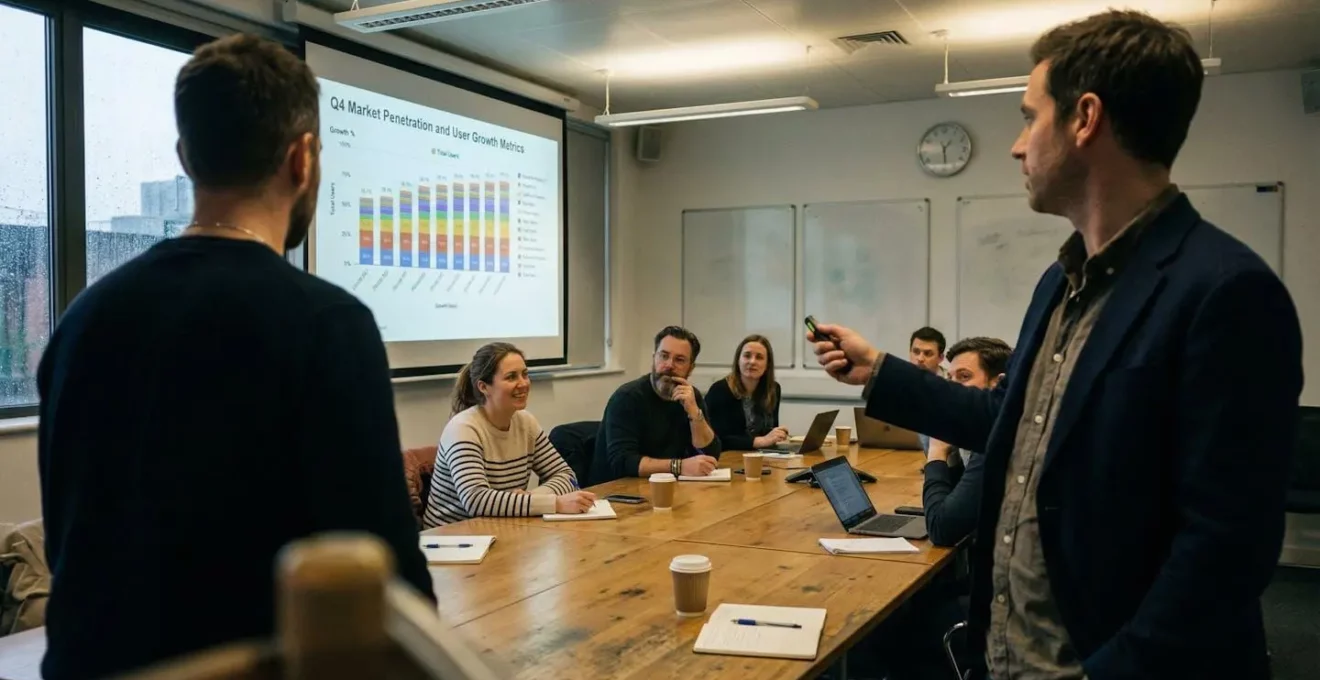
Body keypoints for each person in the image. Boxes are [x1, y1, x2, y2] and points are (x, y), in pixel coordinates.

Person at [812, 10, 1301, 680]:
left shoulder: (1226, 291)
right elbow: (1005, 420)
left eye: (1029, 117)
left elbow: (1226, 550)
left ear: (1085, 118)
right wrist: (878, 371)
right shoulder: (1061, 281)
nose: (1017, 147)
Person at [36, 35, 432, 680]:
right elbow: (384, 578)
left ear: (186, 157)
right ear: (303, 159)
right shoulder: (327, 323)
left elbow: (69, 546)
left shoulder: (82, 319)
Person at [424, 343, 595, 527]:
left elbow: (566, 475)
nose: (523, 384)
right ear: (484, 387)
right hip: (452, 537)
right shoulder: (463, 428)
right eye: (511, 377)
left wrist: (532, 497)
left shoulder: (526, 423)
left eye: (525, 374)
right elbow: (476, 500)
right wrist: (555, 503)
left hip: (501, 528)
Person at [591, 326, 722, 484]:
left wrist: (694, 413)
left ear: (691, 368)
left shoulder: (691, 397)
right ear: (654, 358)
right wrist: (679, 466)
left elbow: (711, 455)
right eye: (664, 356)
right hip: (618, 490)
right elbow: (622, 462)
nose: (669, 365)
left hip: (668, 486)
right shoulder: (627, 398)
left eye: (679, 360)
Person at [923, 337, 1011, 548]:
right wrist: (952, 456)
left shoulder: (997, 439)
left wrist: (936, 453)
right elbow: (958, 503)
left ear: (998, 384)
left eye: (964, 377)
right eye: (949, 378)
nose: (950, 388)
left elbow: (942, 529)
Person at [705, 334, 789, 451]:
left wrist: (777, 434)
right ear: (738, 361)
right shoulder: (720, 390)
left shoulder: (773, 389)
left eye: (759, 357)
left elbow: (769, 431)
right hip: (727, 457)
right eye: (747, 356)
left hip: (760, 455)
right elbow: (717, 439)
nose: (752, 361)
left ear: (767, 365)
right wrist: (760, 441)